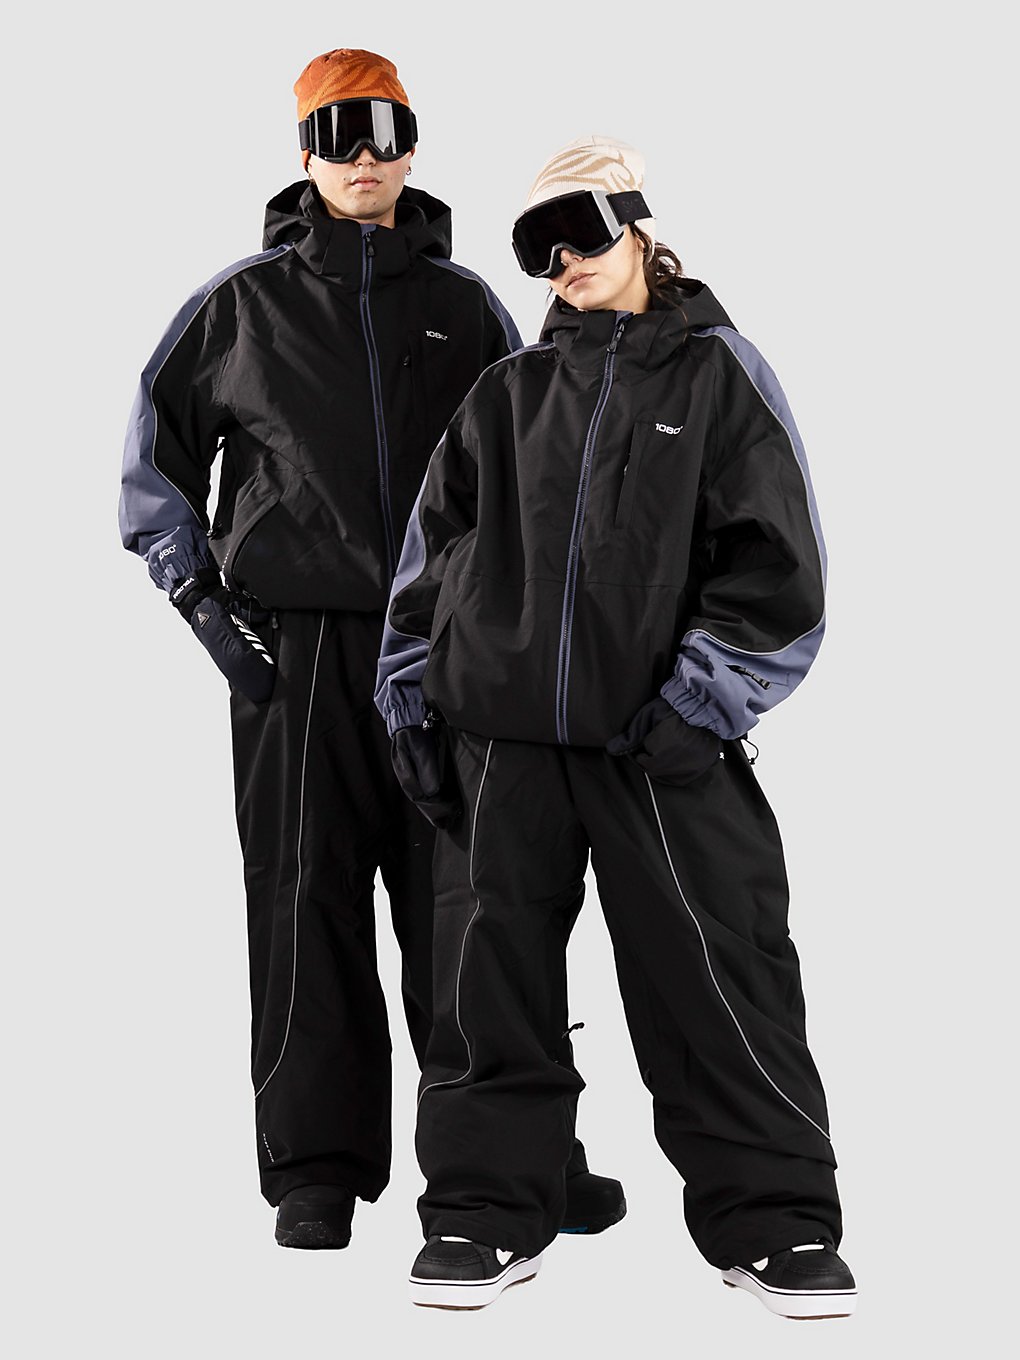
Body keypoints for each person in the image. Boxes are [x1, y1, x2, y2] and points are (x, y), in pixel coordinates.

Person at [119, 56, 624, 1251]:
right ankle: (318, 1167)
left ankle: (520, 1152)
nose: (363, 156)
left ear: (412, 146)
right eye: (339, 132)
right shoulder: (241, 307)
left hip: (448, 651)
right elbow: (154, 460)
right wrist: (204, 606)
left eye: (385, 131)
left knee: (481, 903)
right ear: (303, 150)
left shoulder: (466, 306)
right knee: (307, 896)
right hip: (294, 653)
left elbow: (534, 464)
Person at [376, 136, 857, 1317]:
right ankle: (483, 1210)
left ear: (637, 223)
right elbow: (431, 557)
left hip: (659, 741)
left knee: (720, 975)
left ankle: (777, 1222)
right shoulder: (508, 392)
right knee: (486, 983)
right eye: (538, 247)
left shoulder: (719, 375)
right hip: (503, 745)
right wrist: (412, 695)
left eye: (582, 231)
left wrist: (705, 699)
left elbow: (779, 565)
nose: (565, 262)